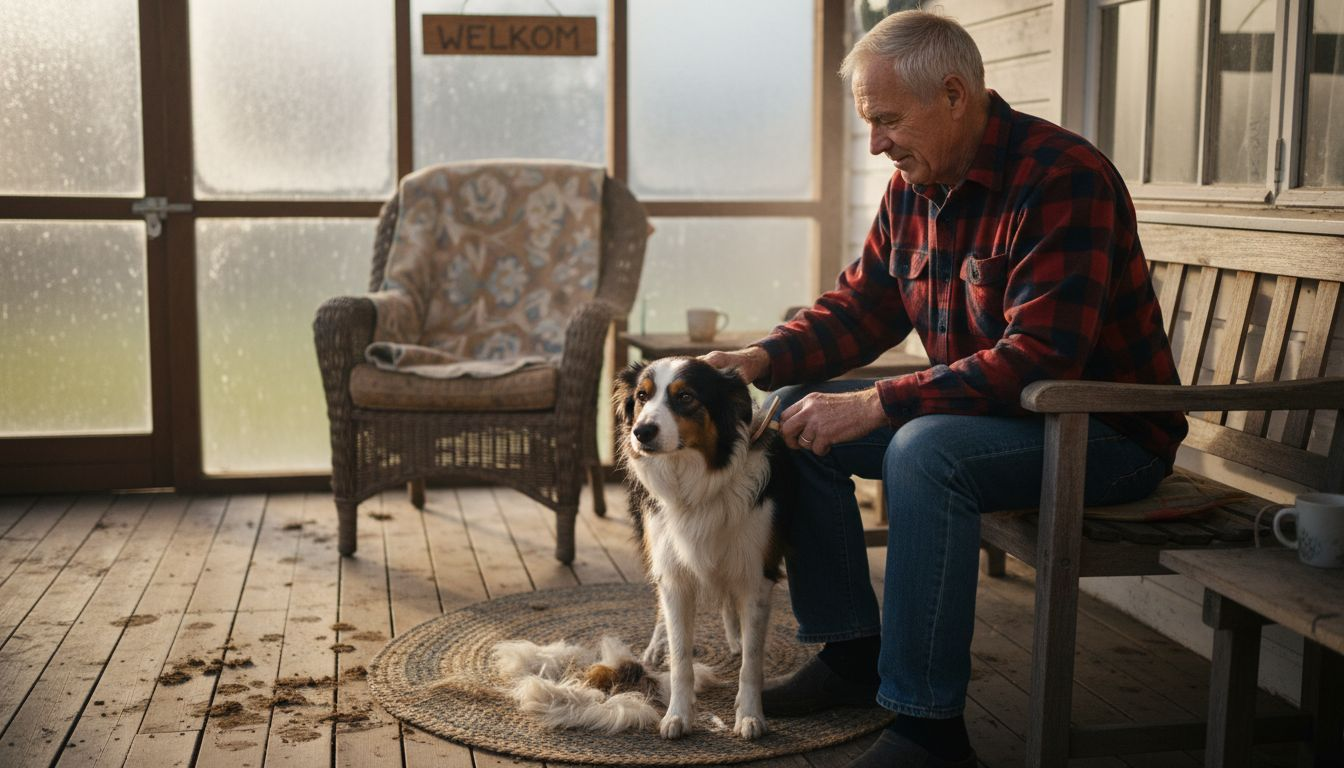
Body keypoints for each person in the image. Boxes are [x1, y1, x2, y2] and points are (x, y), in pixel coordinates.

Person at [703, 10, 1187, 768]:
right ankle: (852, 654)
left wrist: (876, 403)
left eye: (887, 120)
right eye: (870, 123)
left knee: (926, 453)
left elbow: (1040, 358)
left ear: (955, 95)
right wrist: (761, 359)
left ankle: (928, 729)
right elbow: (862, 308)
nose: (876, 143)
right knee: (792, 418)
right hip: (992, 418)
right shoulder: (915, 185)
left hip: (1105, 434)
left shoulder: (1063, 178)